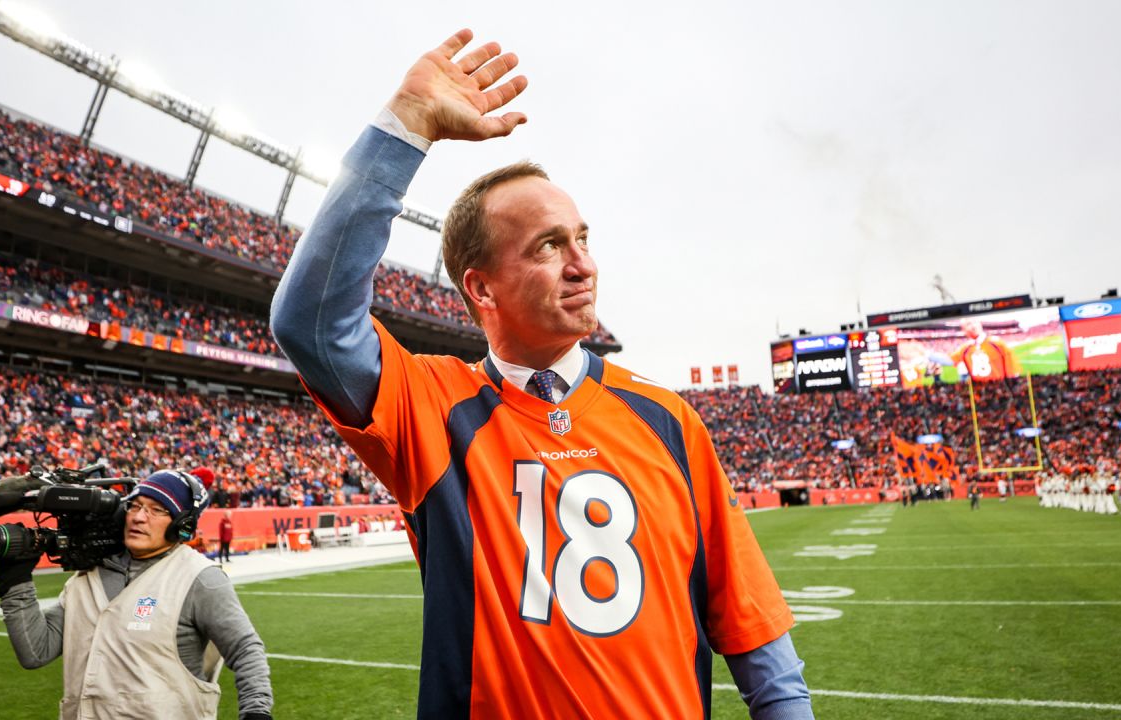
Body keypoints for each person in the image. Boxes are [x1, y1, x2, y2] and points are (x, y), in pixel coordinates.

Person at [270, 29, 811, 719]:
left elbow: (762, 650)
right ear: (483, 289)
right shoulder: (436, 409)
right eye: (549, 246)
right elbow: (311, 322)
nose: (582, 263)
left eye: (583, 238)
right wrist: (404, 124)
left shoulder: (668, 420)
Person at [0, 470, 273, 720]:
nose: (139, 516)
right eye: (136, 506)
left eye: (157, 510)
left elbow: (246, 649)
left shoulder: (200, 578)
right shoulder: (88, 576)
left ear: (182, 525)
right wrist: (15, 580)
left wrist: (256, 711)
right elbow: (35, 651)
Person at [950, 317, 1022, 381]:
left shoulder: (996, 343)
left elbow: (1013, 370)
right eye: (968, 324)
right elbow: (949, 360)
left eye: (975, 322)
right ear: (964, 330)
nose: (973, 326)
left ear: (980, 324)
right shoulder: (965, 349)